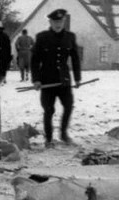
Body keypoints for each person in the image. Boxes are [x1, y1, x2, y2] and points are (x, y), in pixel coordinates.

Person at [31, 9, 81, 148]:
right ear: (50, 22)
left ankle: (63, 134)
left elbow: (75, 59)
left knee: (69, 106)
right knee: (49, 110)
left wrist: (77, 78)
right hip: (46, 80)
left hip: (64, 80)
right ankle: (48, 138)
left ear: (64, 21)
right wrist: (36, 80)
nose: (58, 24)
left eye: (60, 21)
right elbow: (35, 61)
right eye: (55, 21)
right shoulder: (42, 37)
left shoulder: (70, 37)